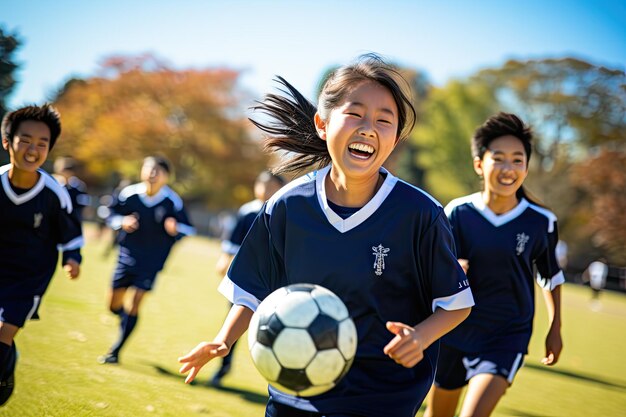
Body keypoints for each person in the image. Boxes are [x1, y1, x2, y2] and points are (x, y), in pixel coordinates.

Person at [179, 54, 474, 416]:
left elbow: (456, 303)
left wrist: (421, 336)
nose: (368, 128)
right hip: (297, 391)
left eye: (384, 121)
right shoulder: (288, 205)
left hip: (384, 396)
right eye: (356, 114)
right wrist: (223, 341)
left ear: (394, 139)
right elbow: (252, 288)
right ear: (322, 123)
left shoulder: (420, 214)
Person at [424, 113, 564, 417]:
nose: (508, 168)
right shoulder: (458, 211)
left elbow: (551, 277)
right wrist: (453, 270)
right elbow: (439, 269)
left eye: (517, 160)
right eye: (498, 158)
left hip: (505, 336)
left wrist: (555, 327)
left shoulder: (541, 221)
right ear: (479, 164)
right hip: (453, 331)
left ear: (527, 166)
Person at [0, 104, 83, 406]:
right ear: (7, 142)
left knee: (2, 334)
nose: (33, 149)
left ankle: (4, 367)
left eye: (42, 143)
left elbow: (71, 236)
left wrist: (73, 260)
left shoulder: (54, 194)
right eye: (26, 140)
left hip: (28, 279)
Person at [98, 156, 195, 365]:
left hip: (152, 261)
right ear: (142, 171)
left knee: (135, 304)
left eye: (158, 171)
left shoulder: (172, 201)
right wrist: (121, 221)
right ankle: (125, 321)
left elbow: (188, 228)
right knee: (113, 305)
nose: (153, 174)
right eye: (149, 169)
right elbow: (108, 213)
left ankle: (116, 350)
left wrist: (175, 228)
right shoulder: (128, 194)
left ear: (166, 177)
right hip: (126, 256)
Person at [210, 170, 286, 386]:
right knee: (233, 327)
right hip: (248, 280)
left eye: (270, 186)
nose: (264, 190)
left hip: (276, 283)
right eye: (261, 185)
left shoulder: (285, 211)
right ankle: (222, 369)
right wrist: (225, 258)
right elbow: (233, 240)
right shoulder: (247, 211)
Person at [52, 156, 91, 222]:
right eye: (65, 169)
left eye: (69, 169)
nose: (67, 172)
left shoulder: (79, 186)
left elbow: (83, 204)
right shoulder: (52, 183)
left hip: (73, 219)